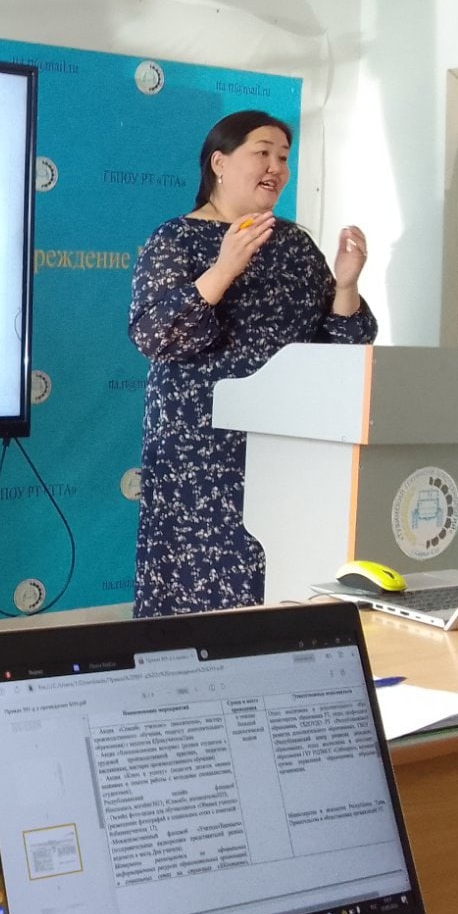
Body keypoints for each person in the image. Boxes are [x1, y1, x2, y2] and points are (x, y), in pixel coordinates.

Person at [129, 110, 377, 617]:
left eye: (283, 157)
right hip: (202, 452)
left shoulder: (295, 245)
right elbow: (155, 335)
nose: (276, 168)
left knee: (282, 584)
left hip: (289, 442)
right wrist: (223, 269)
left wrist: (346, 286)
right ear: (219, 163)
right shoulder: (174, 239)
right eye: (262, 153)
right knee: (202, 591)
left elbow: (344, 348)